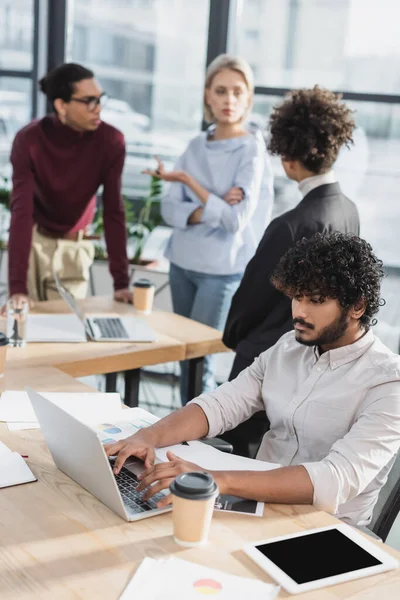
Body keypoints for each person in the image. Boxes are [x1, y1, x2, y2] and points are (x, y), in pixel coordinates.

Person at [106, 233, 400, 528]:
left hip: (324, 528)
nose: (299, 311)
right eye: (297, 297)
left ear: (357, 306)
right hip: (252, 505)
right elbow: (221, 405)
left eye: (316, 300)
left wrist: (217, 479)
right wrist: (149, 436)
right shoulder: (289, 348)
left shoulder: (388, 384)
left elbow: (335, 478)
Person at [221, 86, 360, 456]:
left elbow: (250, 300)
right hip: (312, 362)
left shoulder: (291, 225)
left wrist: (235, 339)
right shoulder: (348, 211)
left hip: (270, 360)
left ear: (287, 157)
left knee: (243, 462)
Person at [144, 54, 274, 404]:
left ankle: (195, 446)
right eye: (221, 91)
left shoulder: (252, 150)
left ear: (248, 97)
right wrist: (215, 203)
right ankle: (175, 439)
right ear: (207, 96)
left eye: (237, 91)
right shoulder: (195, 145)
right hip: (183, 262)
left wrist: (189, 183)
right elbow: (169, 209)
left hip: (220, 270)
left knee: (201, 360)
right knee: (181, 355)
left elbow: (236, 220)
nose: (229, 100)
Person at [7, 62, 131, 305]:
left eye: (100, 99)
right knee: (26, 330)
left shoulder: (111, 141)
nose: (98, 109)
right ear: (61, 105)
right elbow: (21, 212)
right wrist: (17, 288)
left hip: (74, 250)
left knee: (67, 332)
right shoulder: (29, 140)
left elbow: (113, 211)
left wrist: (121, 283)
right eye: (89, 101)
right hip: (35, 244)